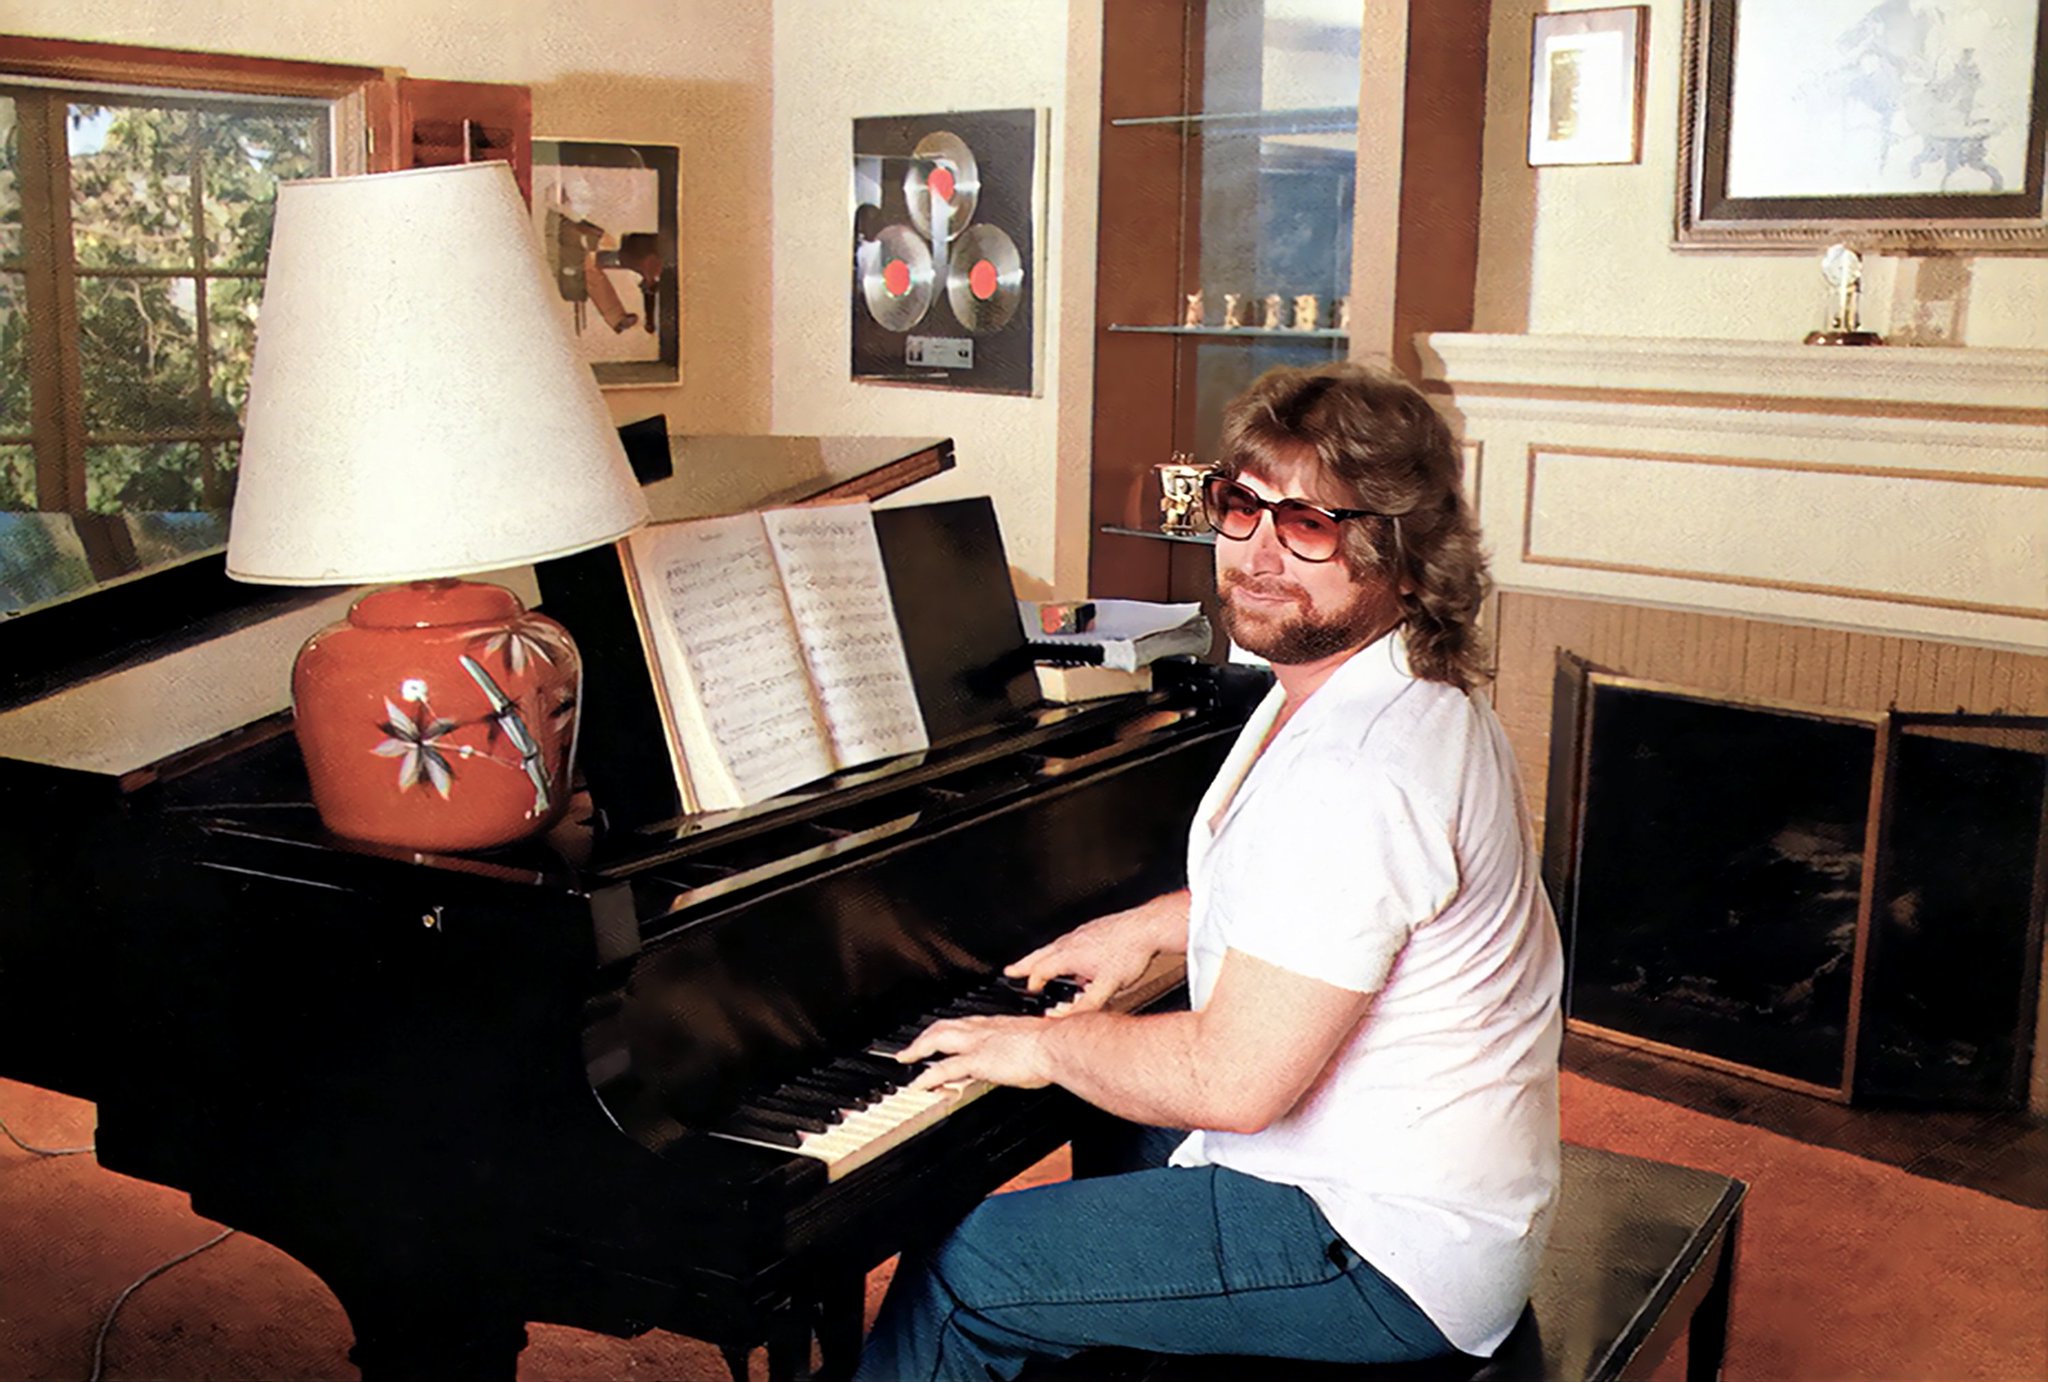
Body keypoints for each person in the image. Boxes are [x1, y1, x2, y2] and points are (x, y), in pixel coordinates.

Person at [854, 361, 1564, 1381]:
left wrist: (1047, 1046)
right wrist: (1152, 921)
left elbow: (1232, 1081)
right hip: (1415, 1179)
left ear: (1404, 557)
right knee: (1109, 1117)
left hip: (1385, 1247)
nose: (1258, 553)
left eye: (1309, 524)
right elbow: (1333, 905)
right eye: (1241, 506)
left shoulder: (1364, 770)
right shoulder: (1362, 689)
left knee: (968, 1269)